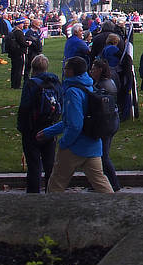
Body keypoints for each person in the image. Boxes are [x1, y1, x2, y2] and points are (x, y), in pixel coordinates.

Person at [37, 56, 114, 193]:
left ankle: (50, 211)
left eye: (66, 67)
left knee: (56, 184)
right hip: (93, 144)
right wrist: (49, 131)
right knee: (101, 182)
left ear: (71, 71)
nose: (64, 70)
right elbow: (73, 120)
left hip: (75, 146)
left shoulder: (73, 92)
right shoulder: (89, 86)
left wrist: (64, 143)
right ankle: (115, 209)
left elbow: (74, 124)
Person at [17, 54, 61, 193]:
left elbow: (24, 107)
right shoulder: (55, 83)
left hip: (32, 127)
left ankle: (33, 193)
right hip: (50, 125)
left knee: (34, 164)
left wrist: (23, 127)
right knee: (49, 163)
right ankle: (51, 190)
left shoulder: (31, 84)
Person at [89, 58, 121, 192]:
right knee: (101, 155)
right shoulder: (109, 82)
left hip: (106, 123)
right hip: (112, 122)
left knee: (103, 155)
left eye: (93, 69)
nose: (91, 71)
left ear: (100, 70)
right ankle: (102, 183)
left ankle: (113, 183)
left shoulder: (101, 86)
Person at [8, 19, 29, 89]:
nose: (23, 25)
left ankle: (13, 84)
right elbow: (22, 43)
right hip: (19, 52)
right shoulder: (19, 32)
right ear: (19, 24)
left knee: (14, 69)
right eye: (22, 24)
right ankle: (17, 84)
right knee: (19, 69)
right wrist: (28, 43)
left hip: (13, 53)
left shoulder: (13, 31)